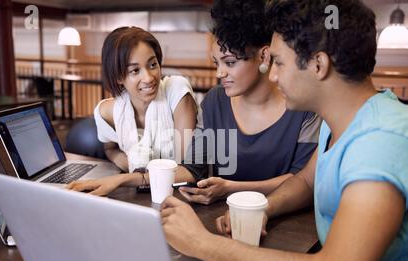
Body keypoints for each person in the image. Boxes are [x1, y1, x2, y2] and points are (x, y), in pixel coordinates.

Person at [160, 0, 408, 261]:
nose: (273, 76)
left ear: (318, 65)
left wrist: (200, 243)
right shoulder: (342, 118)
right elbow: (305, 180)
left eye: (278, 62)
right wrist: (265, 208)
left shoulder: (378, 142)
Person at [69, 0, 321, 200]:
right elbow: (192, 169)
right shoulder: (215, 102)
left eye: (230, 63)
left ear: (264, 56)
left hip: (292, 222)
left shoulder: (302, 105)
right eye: (216, 63)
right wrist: (121, 179)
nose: (219, 73)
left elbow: (303, 181)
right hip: (225, 218)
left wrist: (231, 188)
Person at [67, 26, 198, 195]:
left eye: (152, 64)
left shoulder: (176, 91)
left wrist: (124, 179)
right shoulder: (107, 112)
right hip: (141, 195)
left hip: (184, 194)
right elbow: (110, 149)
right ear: (118, 77)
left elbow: (186, 168)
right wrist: (131, 164)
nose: (149, 78)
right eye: (135, 70)